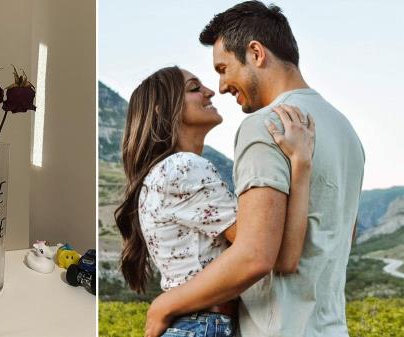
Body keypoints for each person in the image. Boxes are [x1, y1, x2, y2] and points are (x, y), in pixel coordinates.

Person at [144, 2, 365, 337]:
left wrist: (165, 305)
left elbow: (254, 255)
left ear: (256, 53)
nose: (219, 87)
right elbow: (344, 235)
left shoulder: (265, 125)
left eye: (223, 68)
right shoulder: (346, 131)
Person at [115, 65, 315, 337]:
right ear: (163, 108)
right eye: (195, 88)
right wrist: (300, 165)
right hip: (202, 326)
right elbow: (268, 253)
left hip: (201, 325)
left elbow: (280, 258)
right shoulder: (182, 168)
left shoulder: (169, 170)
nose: (210, 91)